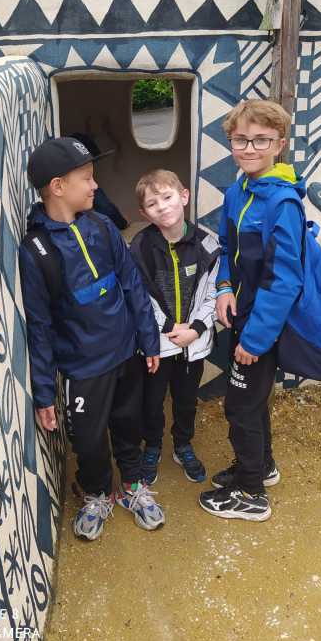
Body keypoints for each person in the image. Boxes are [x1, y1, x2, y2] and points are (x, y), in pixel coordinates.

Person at [19, 136, 164, 541]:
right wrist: (44, 392)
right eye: (86, 178)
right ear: (58, 186)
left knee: (129, 423)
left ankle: (132, 485)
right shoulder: (37, 251)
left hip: (125, 352)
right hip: (82, 367)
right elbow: (39, 326)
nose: (95, 185)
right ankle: (97, 492)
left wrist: (148, 338)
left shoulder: (102, 225)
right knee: (88, 438)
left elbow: (132, 284)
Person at [198, 100, 305, 523]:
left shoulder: (282, 203)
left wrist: (256, 340)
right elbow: (226, 248)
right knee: (252, 401)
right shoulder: (236, 192)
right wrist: (224, 287)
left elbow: (285, 281)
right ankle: (261, 466)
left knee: (240, 406)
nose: (249, 148)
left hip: (264, 325)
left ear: (279, 144)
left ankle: (250, 493)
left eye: (261, 140)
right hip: (241, 313)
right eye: (240, 139)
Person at [130, 170, 219, 485]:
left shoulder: (208, 243)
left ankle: (183, 445)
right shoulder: (140, 247)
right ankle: (152, 446)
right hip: (158, 343)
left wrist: (196, 328)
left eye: (167, 197)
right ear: (144, 213)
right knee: (152, 401)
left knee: (186, 399)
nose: (162, 207)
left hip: (193, 341)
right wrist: (169, 327)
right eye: (152, 204)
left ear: (184, 196)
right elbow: (140, 296)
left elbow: (214, 292)